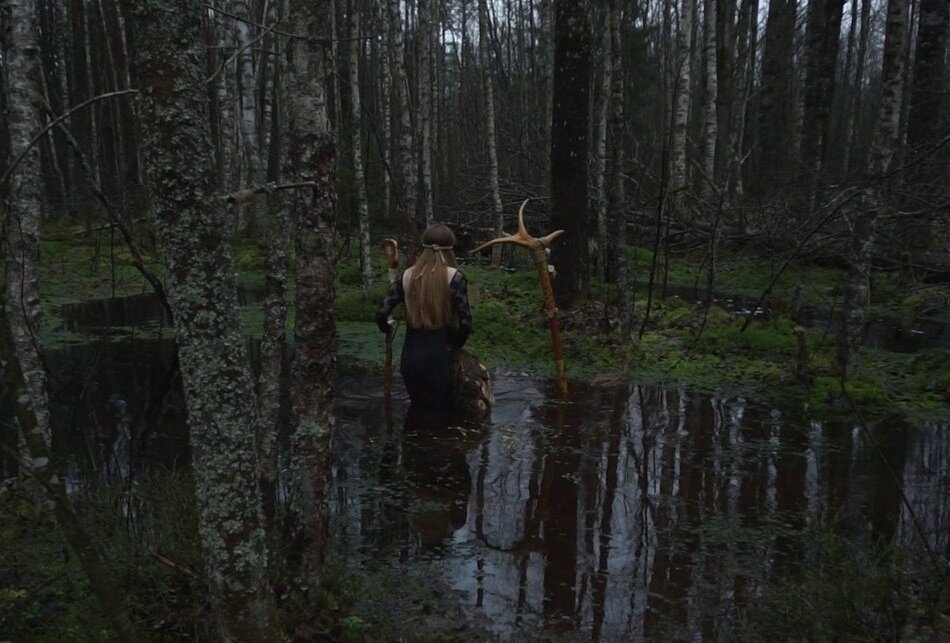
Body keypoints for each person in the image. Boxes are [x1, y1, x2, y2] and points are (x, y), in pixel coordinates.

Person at [376, 224, 473, 413]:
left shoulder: (406, 276)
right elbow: (466, 322)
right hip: (440, 356)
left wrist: (387, 328)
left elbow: (381, 313)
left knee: (417, 413)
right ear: (450, 248)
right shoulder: (455, 278)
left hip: (410, 357)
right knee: (442, 419)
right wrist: (454, 345)